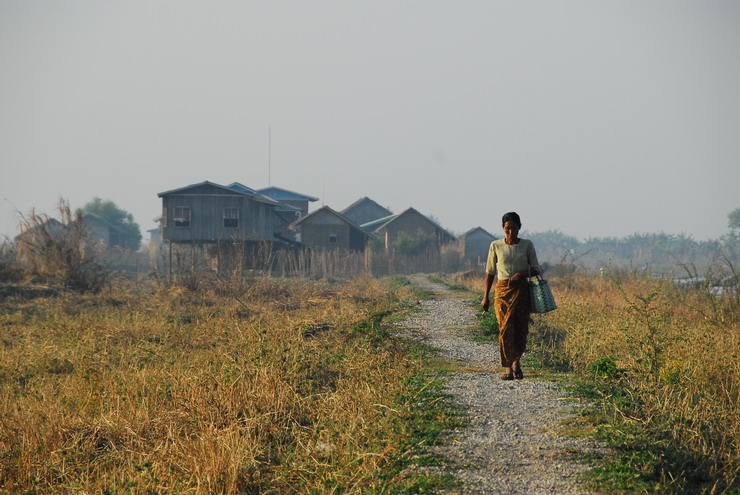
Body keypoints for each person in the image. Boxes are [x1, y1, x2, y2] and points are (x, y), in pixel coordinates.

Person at [481, 212, 541, 380]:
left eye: (514, 228)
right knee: (505, 328)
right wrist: (485, 296)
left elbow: (536, 269)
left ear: (519, 227)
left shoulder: (527, 245)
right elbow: (490, 272)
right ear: (503, 228)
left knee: (520, 329)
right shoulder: (495, 245)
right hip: (502, 292)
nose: (510, 232)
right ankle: (508, 368)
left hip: (521, 292)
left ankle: (517, 362)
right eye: (507, 229)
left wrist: (521, 274)